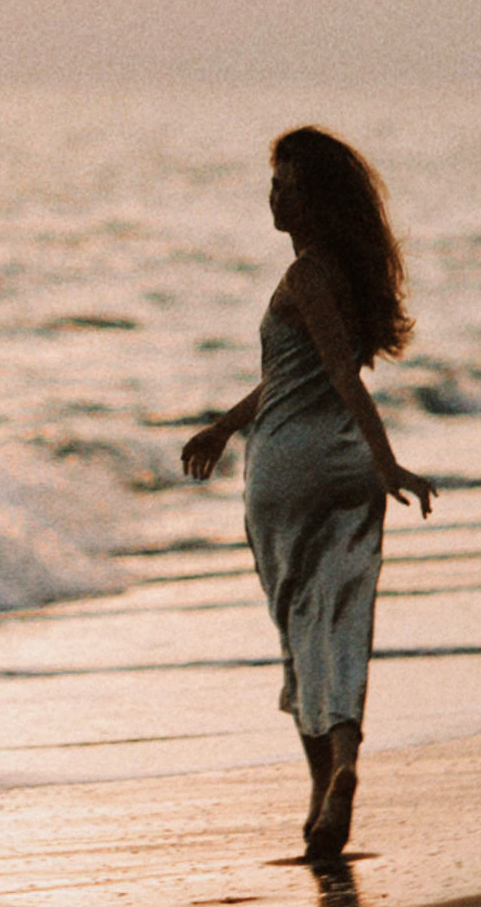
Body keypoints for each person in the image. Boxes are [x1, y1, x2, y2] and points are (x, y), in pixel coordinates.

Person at [182, 126, 434, 863]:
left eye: (286, 186)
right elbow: (297, 376)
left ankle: (324, 786)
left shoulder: (305, 278)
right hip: (345, 468)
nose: (273, 197)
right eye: (274, 184)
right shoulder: (349, 279)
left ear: (314, 201)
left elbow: (342, 381)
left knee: (299, 626)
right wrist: (225, 425)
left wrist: (391, 462)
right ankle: (345, 763)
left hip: (289, 474)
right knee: (345, 618)